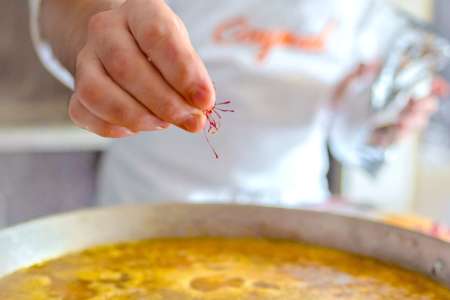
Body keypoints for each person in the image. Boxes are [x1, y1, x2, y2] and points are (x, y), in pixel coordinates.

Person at [29, 0, 445, 206]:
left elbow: (349, 125)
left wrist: (383, 122)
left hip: (298, 216)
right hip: (150, 209)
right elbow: (65, 8)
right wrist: (97, 35)